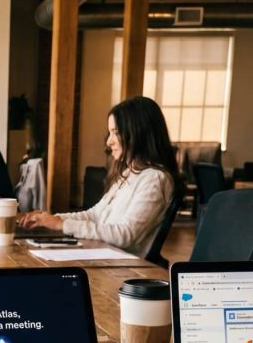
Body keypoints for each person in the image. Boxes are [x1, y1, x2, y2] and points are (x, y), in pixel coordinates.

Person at [19, 96, 177, 257]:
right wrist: (50, 219)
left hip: (123, 268)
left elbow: (125, 235)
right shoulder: (129, 173)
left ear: (139, 133)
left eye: (116, 133)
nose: (109, 141)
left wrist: (61, 224)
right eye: (110, 133)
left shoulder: (155, 178)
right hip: (105, 256)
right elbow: (94, 215)